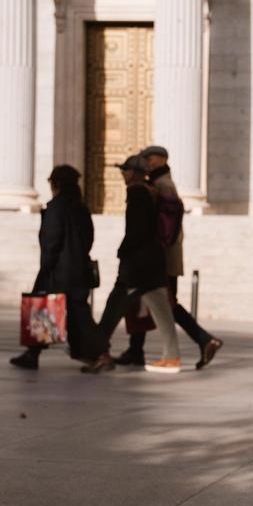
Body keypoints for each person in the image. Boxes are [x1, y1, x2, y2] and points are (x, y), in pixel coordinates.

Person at [112, 145, 223, 370]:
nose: (147, 162)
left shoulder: (163, 186)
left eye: (150, 157)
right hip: (156, 256)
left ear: (162, 159)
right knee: (143, 302)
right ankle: (136, 349)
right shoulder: (156, 184)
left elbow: (163, 227)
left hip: (162, 257)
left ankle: (203, 339)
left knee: (165, 304)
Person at [11, 165, 112, 372]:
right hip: (79, 269)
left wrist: (47, 266)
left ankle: (101, 353)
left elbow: (51, 242)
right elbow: (88, 239)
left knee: (65, 313)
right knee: (64, 311)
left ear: (55, 184)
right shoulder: (80, 208)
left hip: (58, 271)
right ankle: (33, 352)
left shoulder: (56, 208)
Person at [95, 155, 183, 374]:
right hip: (154, 260)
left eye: (125, 171)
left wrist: (123, 250)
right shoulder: (151, 191)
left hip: (137, 264)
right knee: (162, 311)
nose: (123, 175)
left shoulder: (136, 192)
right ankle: (171, 357)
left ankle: (97, 351)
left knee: (114, 308)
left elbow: (136, 229)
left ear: (133, 172)